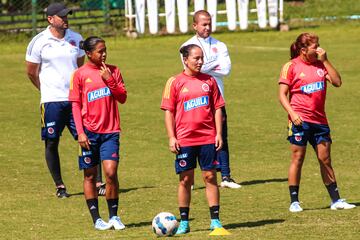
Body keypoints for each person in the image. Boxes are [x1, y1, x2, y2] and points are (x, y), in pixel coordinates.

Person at [278, 32, 356, 212]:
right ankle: (294, 201)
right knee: (298, 158)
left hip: (320, 121)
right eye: (315, 47)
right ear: (304, 50)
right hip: (299, 121)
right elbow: (282, 95)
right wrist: (293, 113)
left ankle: (336, 200)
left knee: (325, 158)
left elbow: (337, 82)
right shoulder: (291, 66)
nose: (319, 49)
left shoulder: (321, 64)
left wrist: (326, 61)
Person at [161, 44, 226, 234]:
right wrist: (172, 136)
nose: (200, 62)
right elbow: (169, 112)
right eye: (196, 58)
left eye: (201, 58)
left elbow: (217, 108)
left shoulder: (210, 81)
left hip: (207, 137)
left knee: (210, 176)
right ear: (185, 59)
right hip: (185, 140)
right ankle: (184, 222)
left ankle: (215, 221)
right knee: (185, 180)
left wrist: (219, 133)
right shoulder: (174, 82)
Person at [25, 2, 86, 198]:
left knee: (87, 140)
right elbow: (31, 72)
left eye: (67, 15)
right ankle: (60, 186)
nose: (66, 19)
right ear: (50, 19)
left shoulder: (76, 39)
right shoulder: (39, 41)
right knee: (51, 142)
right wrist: (45, 90)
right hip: (51, 101)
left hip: (75, 100)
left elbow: (79, 67)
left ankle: (97, 181)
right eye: (62, 16)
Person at [69, 36, 127, 230]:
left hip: (110, 131)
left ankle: (114, 216)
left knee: (111, 173)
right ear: (88, 54)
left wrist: (110, 80)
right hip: (88, 133)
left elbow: (122, 98)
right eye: (100, 51)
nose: (104, 54)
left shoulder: (114, 70)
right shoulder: (79, 75)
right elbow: (75, 105)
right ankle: (96, 219)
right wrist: (80, 133)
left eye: (105, 50)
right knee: (90, 176)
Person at [181, 10, 241, 189]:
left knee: (221, 135)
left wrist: (205, 67)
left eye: (209, 24)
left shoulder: (220, 45)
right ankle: (189, 177)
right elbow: (192, 71)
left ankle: (226, 176)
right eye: (204, 24)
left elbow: (226, 70)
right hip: (194, 99)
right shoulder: (186, 46)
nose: (207, 27)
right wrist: (214, 65)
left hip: (217, 98)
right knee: (192, 137)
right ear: (195, 25)